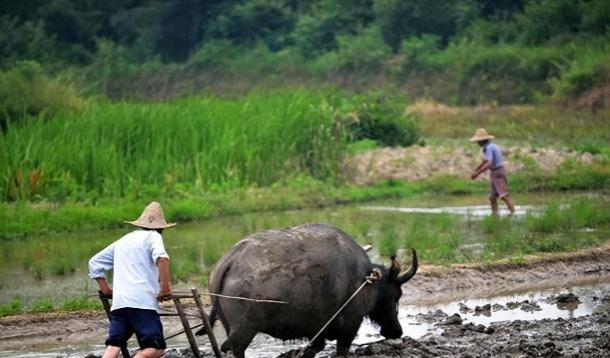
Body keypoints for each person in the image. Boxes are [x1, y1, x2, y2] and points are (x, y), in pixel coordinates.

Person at [89, 201, 176, 358]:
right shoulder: (153, 236)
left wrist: (107, 291)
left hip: (120, 304)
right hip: (142, 303)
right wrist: (165, 289)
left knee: (114, 346)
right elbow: (162, 259)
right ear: (161, 227)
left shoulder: (124, 240)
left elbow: (94, 262)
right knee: (155, 348)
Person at [469, 128, 516, 215]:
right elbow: (486, 160)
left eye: (478, 141)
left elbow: (489, 163)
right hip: (495, 173)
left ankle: (513, 214)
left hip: (497, 172)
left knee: (505, 195)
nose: (478, 143)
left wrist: (477, 173)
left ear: (482, 141)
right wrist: (478, 167)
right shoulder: (492, 146)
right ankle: (495, 214)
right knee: (492, 197)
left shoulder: (489, 148)